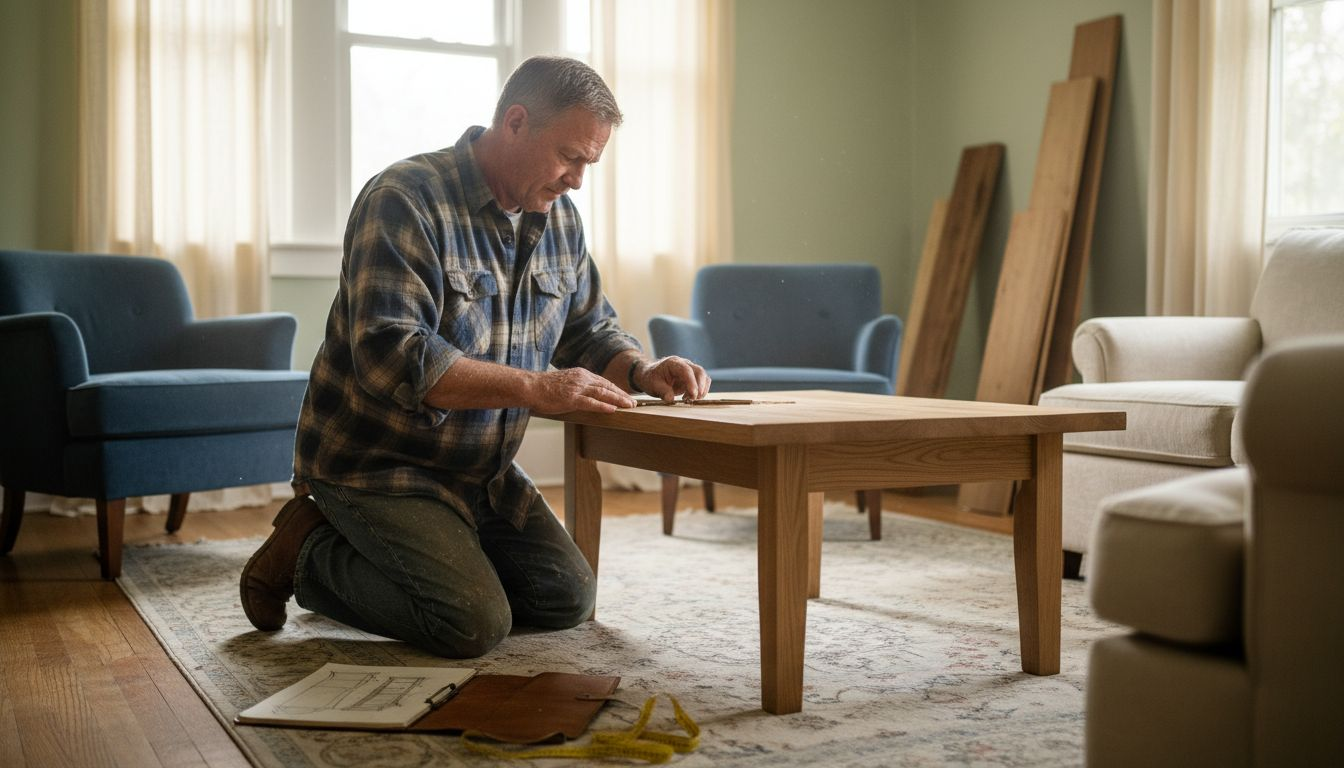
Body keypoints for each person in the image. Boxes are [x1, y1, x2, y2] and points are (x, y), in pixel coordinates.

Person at [239, 56, 710, 657]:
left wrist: (643, 370)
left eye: (589, 164)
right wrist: (534, 389)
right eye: (570, 156)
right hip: (377, 463)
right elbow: (392, 355)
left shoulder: (560, 220)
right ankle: (306, 551)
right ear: (515, 122)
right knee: (471, 624)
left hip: (480, 473)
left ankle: (441, 548)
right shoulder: (404, 199)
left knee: (565, 599)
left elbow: (591, 331)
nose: (577, 180)